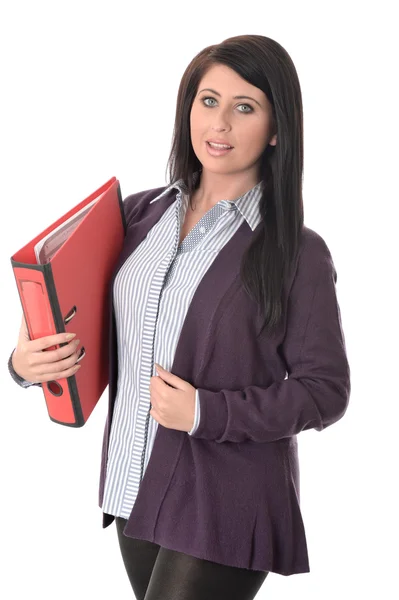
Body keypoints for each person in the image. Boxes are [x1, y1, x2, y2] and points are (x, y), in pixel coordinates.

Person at [8, 34, 351, 599]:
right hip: (133, 485)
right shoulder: (135, 216)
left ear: (275, 130)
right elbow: (84, 322)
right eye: (207, 100)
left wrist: (203, 411)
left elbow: (326, 391)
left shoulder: (297, 252)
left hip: (225, 497)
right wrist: (26, 364)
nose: (219, 124)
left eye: (245, 108)